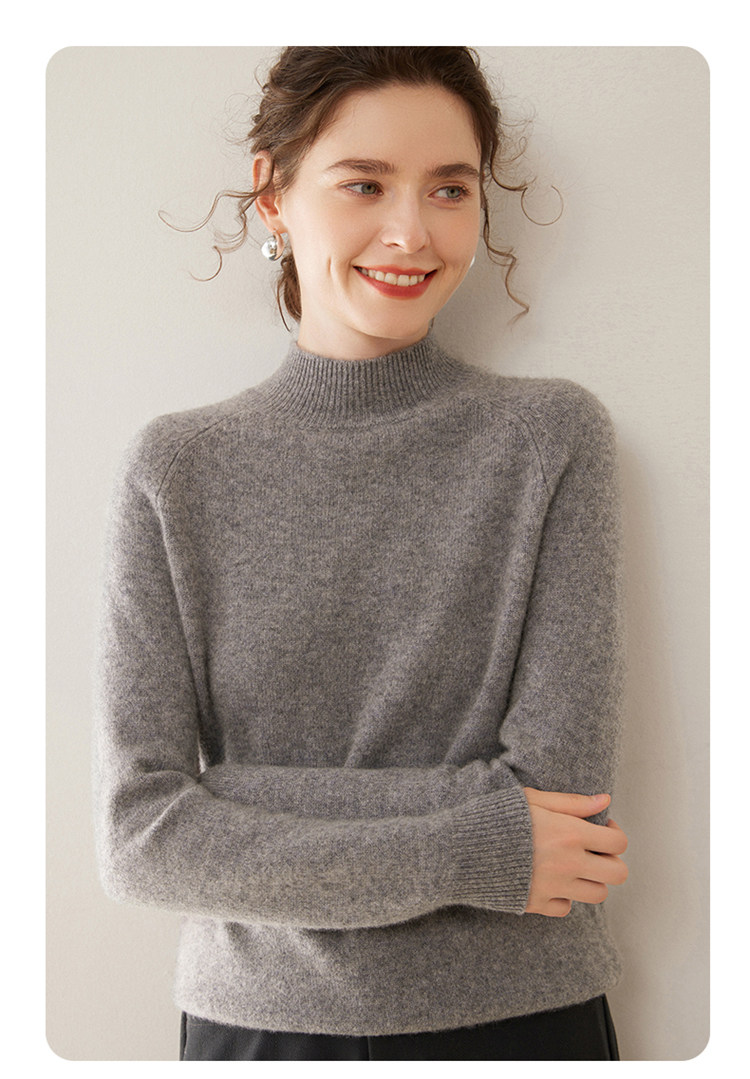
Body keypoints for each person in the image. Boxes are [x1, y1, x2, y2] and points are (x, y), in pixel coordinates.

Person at [94, 46, 629, 1061]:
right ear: (273, 194)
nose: (412, 232)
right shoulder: (177, 467)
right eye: (364, 183)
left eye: (450, 189)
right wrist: (480, 842)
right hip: (261, 1026)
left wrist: (240, 796)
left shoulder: (550, 439)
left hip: (521, 1019)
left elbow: (562, 801)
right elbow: (143, 837)